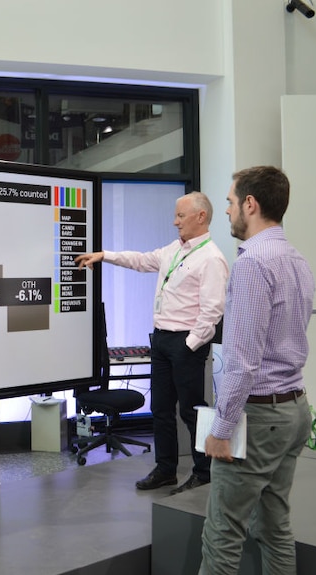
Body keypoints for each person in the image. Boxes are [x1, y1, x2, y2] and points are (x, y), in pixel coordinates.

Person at [198, 166, 314, 574]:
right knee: (274, 525)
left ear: (251, 204)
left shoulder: (252, 264)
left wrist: (221, 428)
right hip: (294, 412)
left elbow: (244, 361)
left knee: (222, 533)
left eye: (230, 202)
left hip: (259, 416)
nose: (227, 210)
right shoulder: (296, 260)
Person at [75, 191, 228, 494]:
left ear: (201, 217)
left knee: (191, 410)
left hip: (186, 344)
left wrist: (190, 345)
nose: (175, 222)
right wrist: (105, 255)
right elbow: (142, 261)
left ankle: (204, 471)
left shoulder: (212, 258)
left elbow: (213, 311)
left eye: (181, 216)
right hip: (160, 340)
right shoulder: (174, 249)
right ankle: (165, 469)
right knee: (161, 409)